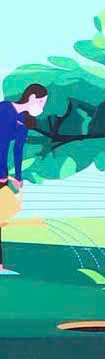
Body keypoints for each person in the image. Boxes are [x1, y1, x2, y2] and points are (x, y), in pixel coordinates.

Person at [0, 83, 43, 275]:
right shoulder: (4, 109)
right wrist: (2, 173)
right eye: (41, 102)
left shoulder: (24, 120)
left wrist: (18, 176)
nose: (42, 107)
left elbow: (17, 149)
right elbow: (1, 144)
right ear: (32, 97)